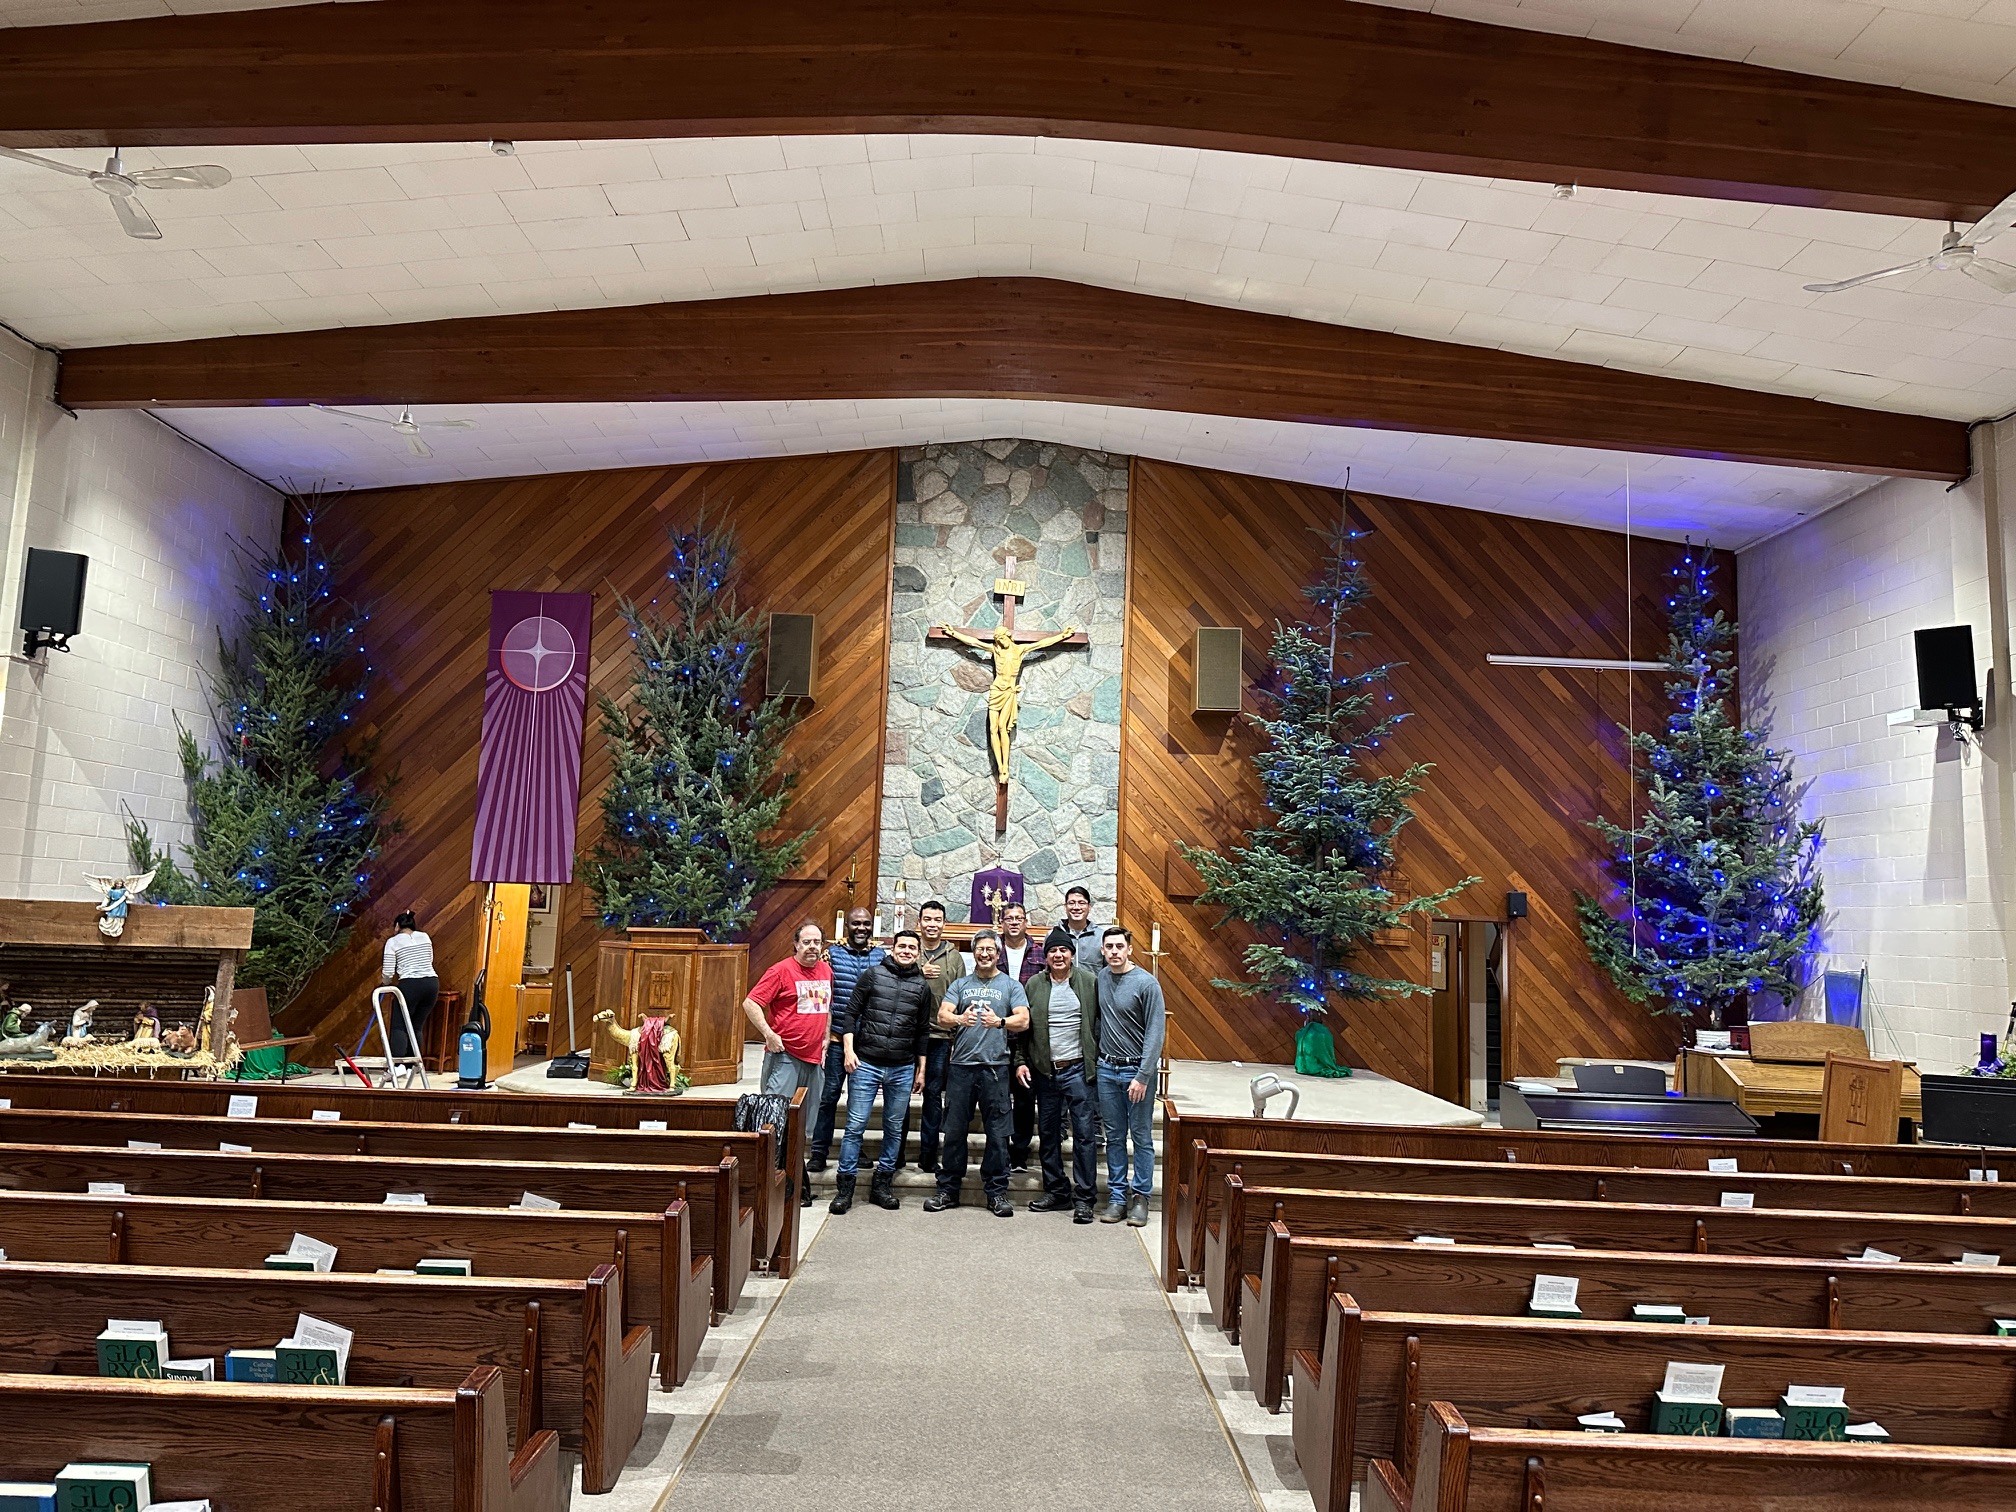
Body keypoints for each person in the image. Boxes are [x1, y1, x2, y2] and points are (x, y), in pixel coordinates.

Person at [924, 931, 1028, 1217]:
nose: (985, 954)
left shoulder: (1011, 985)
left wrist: (1001, 1022)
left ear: (998, 954)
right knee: (954, 1131)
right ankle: (948, 1190)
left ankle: (996, 1192)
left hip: (995, 1068)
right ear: (974, 953)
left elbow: (1024, 1019)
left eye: (990, 950)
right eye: (980, 949)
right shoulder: (960, 984)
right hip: (961, 1068)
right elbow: (943, 1016)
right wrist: (960, 1018)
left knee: (997, 1133)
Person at [829, 929, 933, 1214]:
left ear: (918, 952)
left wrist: (921, 1070)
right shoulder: (873, 975)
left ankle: (882, 1185)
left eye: (913, 947)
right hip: (867, 1063)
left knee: (894, 1127)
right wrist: (849, 1051)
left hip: (902, 1067)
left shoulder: (922, 986)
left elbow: (923, 1031)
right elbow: (851, 1013)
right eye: (902, 946)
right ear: (893, 948)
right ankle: (845, 1188)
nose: (907, 951)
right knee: (855, 1126)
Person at [741, 922, 835, 1204]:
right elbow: (750, 1003)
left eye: (817, 942)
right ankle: (777, 1186)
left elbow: (825, 1008)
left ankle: (796, 1179)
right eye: (806, 942)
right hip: (785, 1057)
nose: (812, 947)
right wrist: (768, 1034)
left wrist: (826, 1037)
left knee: (804, 1125)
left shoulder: (826, 971)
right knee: (776, 1122)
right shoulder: (780, 971)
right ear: (795, 944)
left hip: (814, 1060)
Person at [1016, 927, 1101, 1221]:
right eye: (1052, 950)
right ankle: (1057, 1191)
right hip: (1045, 1071)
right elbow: (1024, 1029)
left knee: (1084, 1135)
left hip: (1078, 1069)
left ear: (1072, 954)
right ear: (1046, 956)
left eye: (1063, 950)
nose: (1058, 955)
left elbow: (1099, 1024)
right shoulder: (1034, 985)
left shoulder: (1089, 982)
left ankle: (1085, 1198)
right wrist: (1020, 1061)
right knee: (1049, 1134)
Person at [1095, 925, 1165, 1226]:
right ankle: (1117, 1197)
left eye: (1119, 947)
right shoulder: (1101, 978)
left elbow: (1155, 1033)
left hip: (1136, 1071)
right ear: (1102, 950)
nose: (1114, 952)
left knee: (1140, 1137)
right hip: (1107, 1069)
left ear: (1129, 949)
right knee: (1113, 1137)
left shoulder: (1147, 984)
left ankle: (1141, 1198)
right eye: (1108, 947)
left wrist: (1143, 1075)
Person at [808, 907, 885, 1173]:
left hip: (866, 1043)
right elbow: (821, 993)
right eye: (856, 924)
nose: (861, 928)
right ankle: (819, 1151)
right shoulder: (833, 954)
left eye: (866, 924)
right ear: (848, 927)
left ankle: (855, 1148)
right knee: (828, 1096)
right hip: (837, 1038)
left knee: (859, 1101)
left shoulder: (881, 955)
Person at [902, 900, 967, 1173]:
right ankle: (896, 1154)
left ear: (944, 924)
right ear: (919, 922)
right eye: (927, 919)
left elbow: (962, 998)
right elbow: (892, 980)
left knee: (932, 1097)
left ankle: (928, 1155)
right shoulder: (909, 951)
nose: (932, 924)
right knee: (901, 1095)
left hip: (940, 1037)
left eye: (937, 919)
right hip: (906, 1035)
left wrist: (956, 1038)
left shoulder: (954, 957)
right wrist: (918, 971)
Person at [998, 901, 1044, 1170]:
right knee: (1000, 1098)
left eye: (1019, 918)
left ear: (1026, 922)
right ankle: (1001, 1149)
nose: (1014, 922)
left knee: (1026, 1098)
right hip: (999, 1034)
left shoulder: (1038, 953)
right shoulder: (992, 951)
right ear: (1001, 923)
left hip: (1029, 1036)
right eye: (1009, 918)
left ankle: (1020, 1152)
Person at [379, 909, 439, 1086]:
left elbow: (388, 971)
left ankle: (396, 1065)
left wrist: (385, 983)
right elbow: (429, 959)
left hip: (410, 984)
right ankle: (411, 1064)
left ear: (397, 926)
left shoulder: (393, 941)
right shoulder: (425, 937)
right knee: (416, 1026)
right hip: (432, 983)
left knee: (399, 1025)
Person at [1060, 886, 1103, 970]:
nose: (1076, 907)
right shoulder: (1054, 935)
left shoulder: (1100, 936)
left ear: (1089, 907)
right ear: (1065, 907)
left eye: (1081, 903)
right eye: (1071, 903)